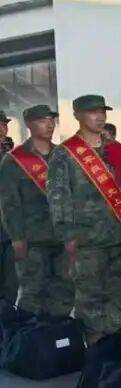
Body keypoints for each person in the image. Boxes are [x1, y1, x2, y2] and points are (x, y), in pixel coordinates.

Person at [46, 95, 121, 342]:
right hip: (86, 239)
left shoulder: (116, 150)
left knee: (119, 291)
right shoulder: (65, 154)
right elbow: (58, 197)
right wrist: (67, 234)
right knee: (90, 295)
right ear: (77, 115)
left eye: (102, 112)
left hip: (118, 235)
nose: (99, 117)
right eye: (92, 112)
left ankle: (117, 343)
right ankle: (96, 346)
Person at [0, 105, 74, 317]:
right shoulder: (14, 160)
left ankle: (57, 330)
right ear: (30, 125)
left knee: (64, 289)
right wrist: (17, 238)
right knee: (32, 292)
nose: (49, 125)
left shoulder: (63, 156)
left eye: (51, 120)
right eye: (43, 120)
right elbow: (10, 204)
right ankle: (29, 332)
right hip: (33, 239)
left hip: (62, 237)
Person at [0, 109, 16, 305]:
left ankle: (7, 314)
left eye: (4, 124)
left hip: (11, 229)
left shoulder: (12, 154)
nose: (3, 128)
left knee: (11, 281)